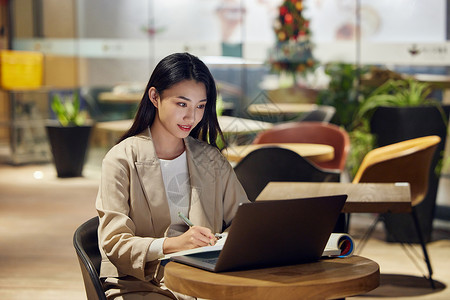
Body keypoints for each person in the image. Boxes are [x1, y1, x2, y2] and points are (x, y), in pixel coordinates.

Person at [95, 52, 249, 300]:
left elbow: (244, 223)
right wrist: (174, 244)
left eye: (200, 106)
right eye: (181, 104)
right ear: (155, 97)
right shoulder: (121, 159)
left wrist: (221, 241)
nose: (192, 117)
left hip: (204, 281)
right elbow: (114, 244)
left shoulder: (211, 159)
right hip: (141, 285)